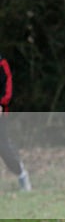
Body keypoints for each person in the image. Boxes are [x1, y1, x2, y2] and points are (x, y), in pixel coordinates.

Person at [0, 53, 31, 191]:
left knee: (3, 147)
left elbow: (7, 85)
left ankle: (21, 174)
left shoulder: (2, 63)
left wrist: (2, 103)